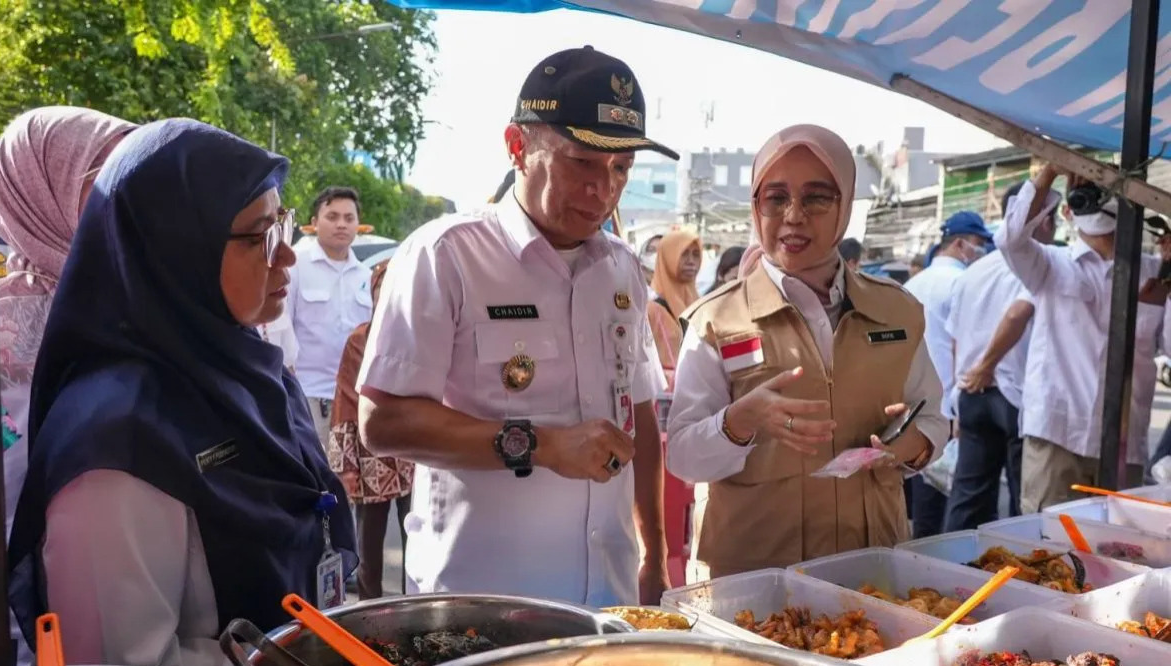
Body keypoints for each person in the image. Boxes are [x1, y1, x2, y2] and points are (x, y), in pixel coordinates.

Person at [7, 119, 356, 665]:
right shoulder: (117, 442)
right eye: (258, 236)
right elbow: (120, 659)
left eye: (282, 225)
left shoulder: (240, 365)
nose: (286, 256)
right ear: (177, 248)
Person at [358, 45, 675, 607]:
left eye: (621, 167)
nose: (603, 189)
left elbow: (642, 414)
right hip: (478, 607)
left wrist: (656, 551)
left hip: (609, 596)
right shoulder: (446, 256)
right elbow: (383, 422)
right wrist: (543, 445)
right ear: (516, 146)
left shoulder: (624, 269)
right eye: (581, 161)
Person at [666, 124, 945, 581]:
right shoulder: (715, 321)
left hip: (870, 571)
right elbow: (681, 456)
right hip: (755, 584)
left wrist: (907, 448)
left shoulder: (897, 311)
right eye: (776, 198)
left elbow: (933, 418)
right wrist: (740, 422)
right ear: (756, 207)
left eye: (817, 197)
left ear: (846, 207)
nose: (793, 216)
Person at [0, 105, 136, 666]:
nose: (125, 203)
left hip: (136, 607)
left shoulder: (149, 305)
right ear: (36, 189)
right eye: (102, 184)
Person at [997, 165, 1171, 510]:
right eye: (1087, 193)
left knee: (1120, 552)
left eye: (1105, 192)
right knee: (1046, 547)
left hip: (1125, 441)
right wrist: (1048, 173)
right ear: (1066, 208)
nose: (1095, 201)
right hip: (1058, 434)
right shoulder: (1050, 263)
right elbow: (1010, 238)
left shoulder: (1156, 272)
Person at [943, 183, 1057, 531]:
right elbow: (1016, 315)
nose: (1054, 228)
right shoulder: (1035, 266)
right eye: (1051, 218)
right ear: (1039, 221)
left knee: (969, 495)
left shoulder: (972, 271)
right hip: (1012, 394)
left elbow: (955, 339)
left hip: (972, 394)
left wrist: (963, 385)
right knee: (1026, 502)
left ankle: (949, 570)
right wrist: (986, 366)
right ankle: (1019, 575)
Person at [902, 210, 994, 538]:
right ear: (959, 244)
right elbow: (966, 346)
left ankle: (921, 556)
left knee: (924, 491)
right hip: (951, 404)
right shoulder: (962, 283)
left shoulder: (911, 285)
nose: (982, 250)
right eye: (979, 243)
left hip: (911, 404)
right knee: (959, 497)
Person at [328, 250, 413, 599]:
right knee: (369, 551)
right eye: (385, 288)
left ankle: (418, 611)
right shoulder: (359, 340)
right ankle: (370, 623)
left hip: (415, 458)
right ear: (376, 292)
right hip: (370, 461)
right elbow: (345, 404)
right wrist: (345, 467)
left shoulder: (420, 337)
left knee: (419, 544)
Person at [289, 186, 374, 448]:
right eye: (332, 216)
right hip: (306, 399)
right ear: (314, 223)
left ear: (358, 225)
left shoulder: (366, 276)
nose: (341, 225)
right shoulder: (294, 267)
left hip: (352, 402)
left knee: (347, 485)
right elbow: (280, 332)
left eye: (349, 218)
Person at [647, 229, 701, 389]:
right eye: (684, 254)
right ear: (667, 257)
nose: (691, 261)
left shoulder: (701, 305)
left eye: (696, 254)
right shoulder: (651, 310)